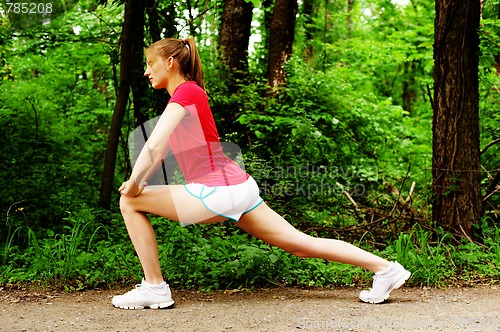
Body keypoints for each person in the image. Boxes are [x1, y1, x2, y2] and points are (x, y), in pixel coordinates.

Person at [111, 37, 411, 310]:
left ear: (170, 62)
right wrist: (140, 180)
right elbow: (159, 152)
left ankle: (155, 288)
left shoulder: (187, 92)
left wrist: (135, 187)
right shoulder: (185, 96)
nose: (147, 71)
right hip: (236, 187)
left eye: (151, 63)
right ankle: (386, 269)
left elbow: (152, 146)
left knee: (130, 203)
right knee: (300, 244)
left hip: (218, 190)